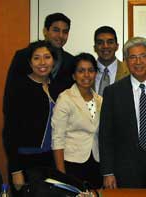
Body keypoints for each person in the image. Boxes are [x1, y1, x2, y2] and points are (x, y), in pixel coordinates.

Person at [99, 37, 146, 189]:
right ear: (126, 60)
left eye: (143, 56)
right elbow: (106, 135)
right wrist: (108, 172)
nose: (138, 62)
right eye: (133, 57)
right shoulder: (113, 92)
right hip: (126, 164)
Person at [3, 40, 58, 193]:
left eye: (47, 57)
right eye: (36, 58)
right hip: (26, 161)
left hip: (51, 160)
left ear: (53, 60)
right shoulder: (20, 88)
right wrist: (16, 170)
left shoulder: (57, 88)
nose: (42, 62)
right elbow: (9, 131)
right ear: (30, 62)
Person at [51, 53, 103, 189]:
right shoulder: (65, 98)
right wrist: (61, 174)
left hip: (95, 162)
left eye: (91, 70)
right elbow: (57, 138)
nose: (86, 75)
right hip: (71, 163)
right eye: (81, 71)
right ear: (74, 75)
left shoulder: (100, 100)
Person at [93, 26, 129, 95]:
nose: (105, 46)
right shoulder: (86, 72)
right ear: (95, 48)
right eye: (100, 43)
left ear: (117, 46)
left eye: (110, 42)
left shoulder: (129, 71)